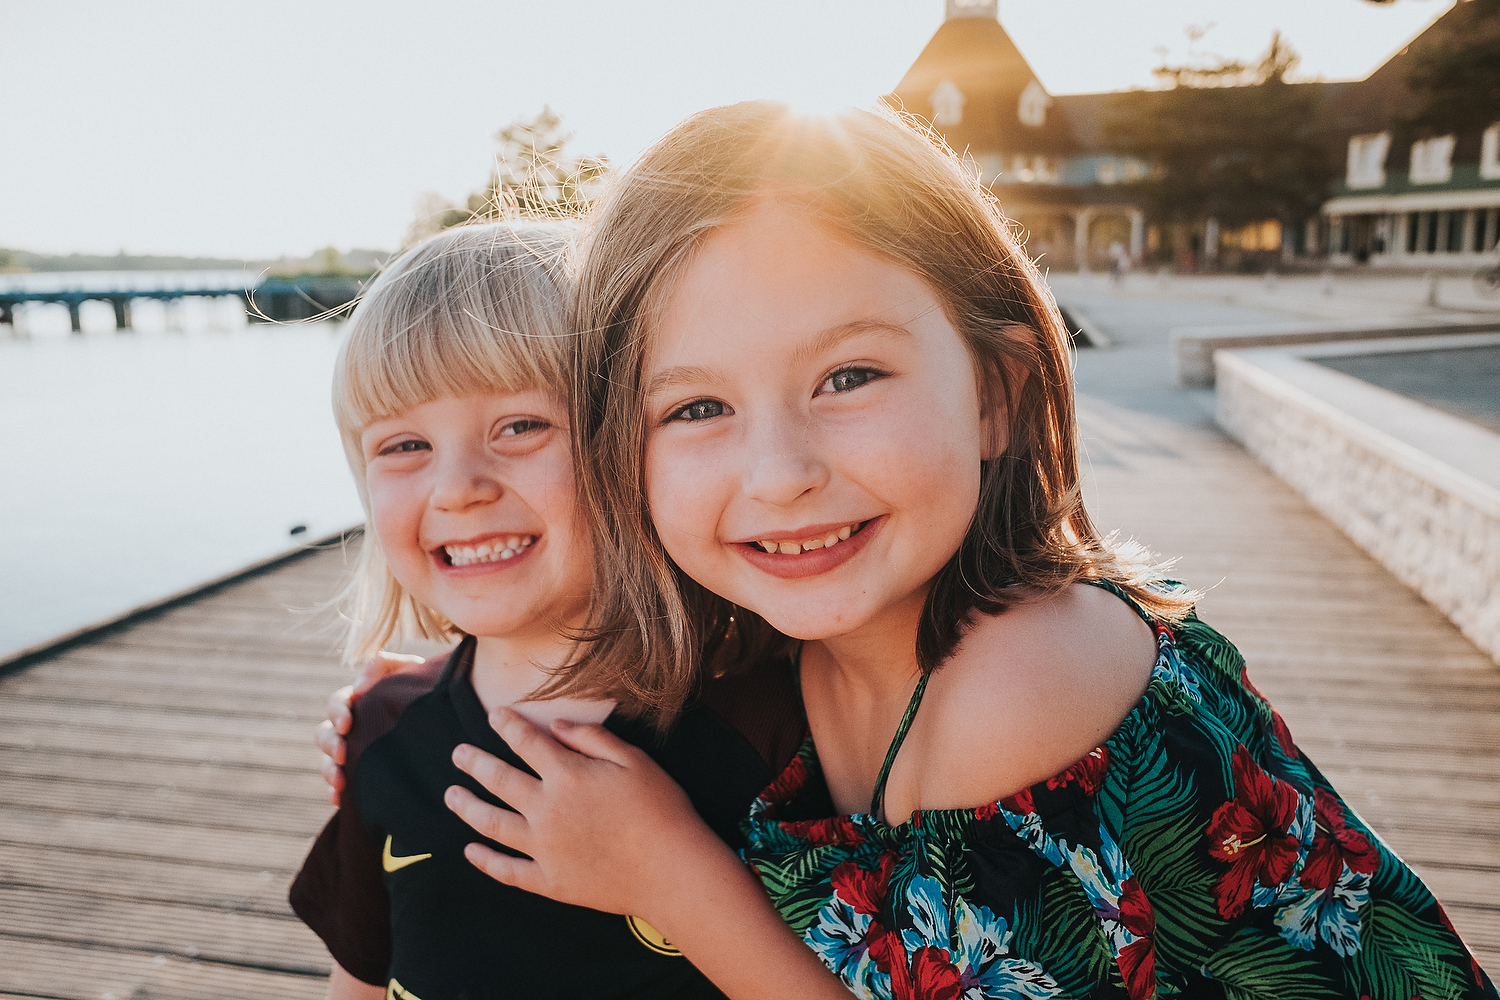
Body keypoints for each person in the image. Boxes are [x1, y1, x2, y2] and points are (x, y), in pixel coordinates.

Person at [427, 103, 1497, 999]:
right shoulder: (820, 638)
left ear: (997, 393)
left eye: (849, 377)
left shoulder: (1020, 684)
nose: (779, 471)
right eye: (698, 405)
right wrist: (433, 698)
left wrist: (670, 878)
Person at [290, 219, 849, 1000]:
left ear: (634, 444)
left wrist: (672, 875)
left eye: (521, 426)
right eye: (402, 446)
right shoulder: (382, 734)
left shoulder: (778, 728)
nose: (456, 487)